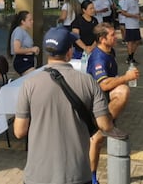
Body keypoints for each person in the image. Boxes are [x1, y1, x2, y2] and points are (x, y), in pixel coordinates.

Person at [14, 26, 114, 184]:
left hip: (38, 175)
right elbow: (105, 125)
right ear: (70, 52)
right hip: (77, 173)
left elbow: (19, 131)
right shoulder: (88, 81)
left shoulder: (29, 84)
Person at [87, 23, 139, 184]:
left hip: (106, 102)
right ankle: (92, 177)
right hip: (95, 103)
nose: (116, 37)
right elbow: (103, 85)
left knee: (99, 139)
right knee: (96, 140)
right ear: (102, 39)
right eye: (112, 35)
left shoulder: (110, 51)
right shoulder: (98, 57)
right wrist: (126, 77)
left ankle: (106, 127)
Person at [9, 11, 40, 75]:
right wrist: (32, 49)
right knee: (35, 77)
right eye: (30, 20)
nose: (32, 22)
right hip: (22, 61)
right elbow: (16, 49)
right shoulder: (19, 31)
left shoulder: (23, 32)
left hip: (28, 60)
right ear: (23, 21)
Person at [120, 0, 143, 64]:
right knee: (130, 42)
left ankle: (130, 56)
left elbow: (137, 11)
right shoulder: (127, 1)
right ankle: (130, 58)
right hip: (130, 25)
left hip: (136, 24)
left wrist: (140, 15)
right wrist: (134, 16)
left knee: (137, 41)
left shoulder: (136, 1)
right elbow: (123, 12)